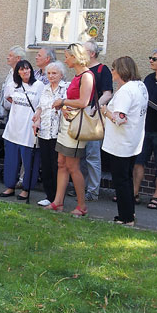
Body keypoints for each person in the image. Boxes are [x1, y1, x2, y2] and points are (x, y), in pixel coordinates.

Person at [46, 43, 95, 215]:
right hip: (67, 123)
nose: (65, 60)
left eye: (67, 57)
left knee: (73, 166)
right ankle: (58, 202)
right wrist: (65, 107)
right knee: (61, 163)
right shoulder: (77, 76)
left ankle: (82, 206)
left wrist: (63, 102)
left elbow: (83, 102)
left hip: (76, 127)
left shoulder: (86, 76)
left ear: (75, 57)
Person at [101, 56, 148, 226]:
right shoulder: (140, 86)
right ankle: (130, 213)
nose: (112, 72)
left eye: (114, 69)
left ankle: (125, 217)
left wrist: (105, 111)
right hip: (133, 140)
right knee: (127, 178)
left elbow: (120, 118)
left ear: (121, 70)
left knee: (121, 180)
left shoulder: (126, 91)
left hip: (121, 143)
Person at [132, 48, 157, 210]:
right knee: (139, 161)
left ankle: (156, 196)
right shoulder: (148, 79)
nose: (150, 60)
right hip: (145, 127)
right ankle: (134, 193)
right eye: (150, 58)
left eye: (154, 59)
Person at [0, 60, 44, 200]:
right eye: (21, 69)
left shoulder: (39, 85)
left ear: (31, 70)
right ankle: (10, 186)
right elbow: (8, 98)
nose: (25, 71)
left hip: (29, 129)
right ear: (17, 72)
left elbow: (42, 105)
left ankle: (26, 188)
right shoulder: (12, 85)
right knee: (11, 160)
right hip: (13, 128)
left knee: (29, 162)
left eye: (27, 69)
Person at [75, 40, 113, 201]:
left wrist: (94, 108)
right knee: (81, 155)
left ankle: (93, 191)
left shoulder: (102, 70)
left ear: (92, 53)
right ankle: (81, 188)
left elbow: (107, 93)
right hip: (80, 116)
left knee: (92, 154)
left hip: (93, 117)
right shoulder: (81, 70)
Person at [32, 60, 68, 206]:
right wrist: (37, 118)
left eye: (54, 73)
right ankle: (49, 196)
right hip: (44, 131)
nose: (51, 76)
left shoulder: (65, 88)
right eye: (49, 73)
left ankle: (58, 197)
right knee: (46, 165)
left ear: (61, 74)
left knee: (57, 166)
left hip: (59, 133)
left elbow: (68, 107)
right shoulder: (45, 88)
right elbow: (40, 107)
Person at [0, 46, 26, 119]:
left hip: (17, 112)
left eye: (10, 56)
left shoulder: (23, 73)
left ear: (18, 58)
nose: (7, 57)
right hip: (9, 111)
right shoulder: (11, 71)